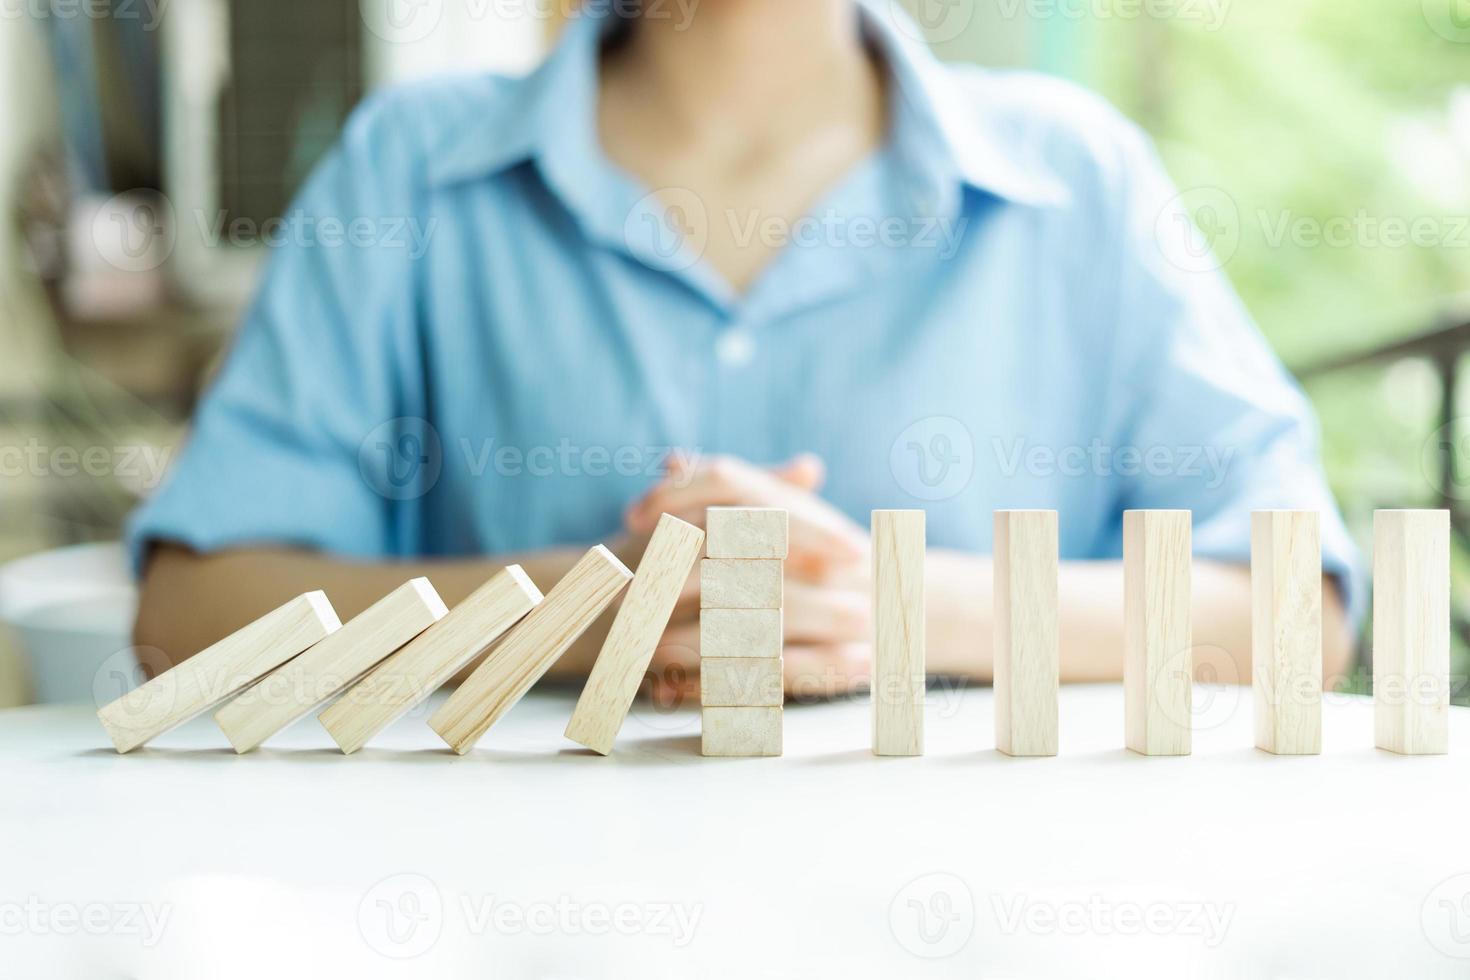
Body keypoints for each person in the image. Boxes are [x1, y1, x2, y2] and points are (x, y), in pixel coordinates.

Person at [129, 0, 1359, 701]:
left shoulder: (1075, 175)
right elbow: (187, 617)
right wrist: (595, 608)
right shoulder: (407, 165)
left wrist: (888, 608)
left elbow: (1296, 614)